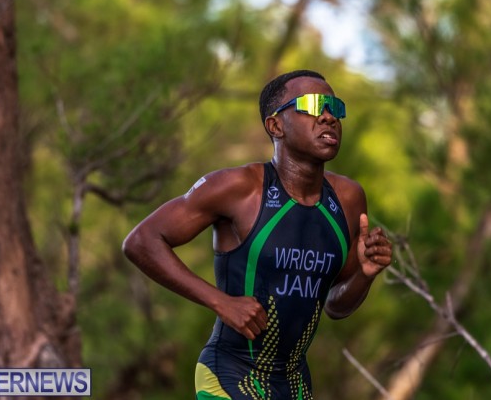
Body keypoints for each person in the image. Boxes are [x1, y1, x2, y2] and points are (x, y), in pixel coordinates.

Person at [122, 69, 393, 400]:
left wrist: (365, 274)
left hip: (295, 385)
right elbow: (141, 241)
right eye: (312, 106)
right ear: (275, 125)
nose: (328, 117)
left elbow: (336, 305)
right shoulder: (239, 188)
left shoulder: (348, 199)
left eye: (335, 108)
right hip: (229, 373)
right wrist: (221, 302)